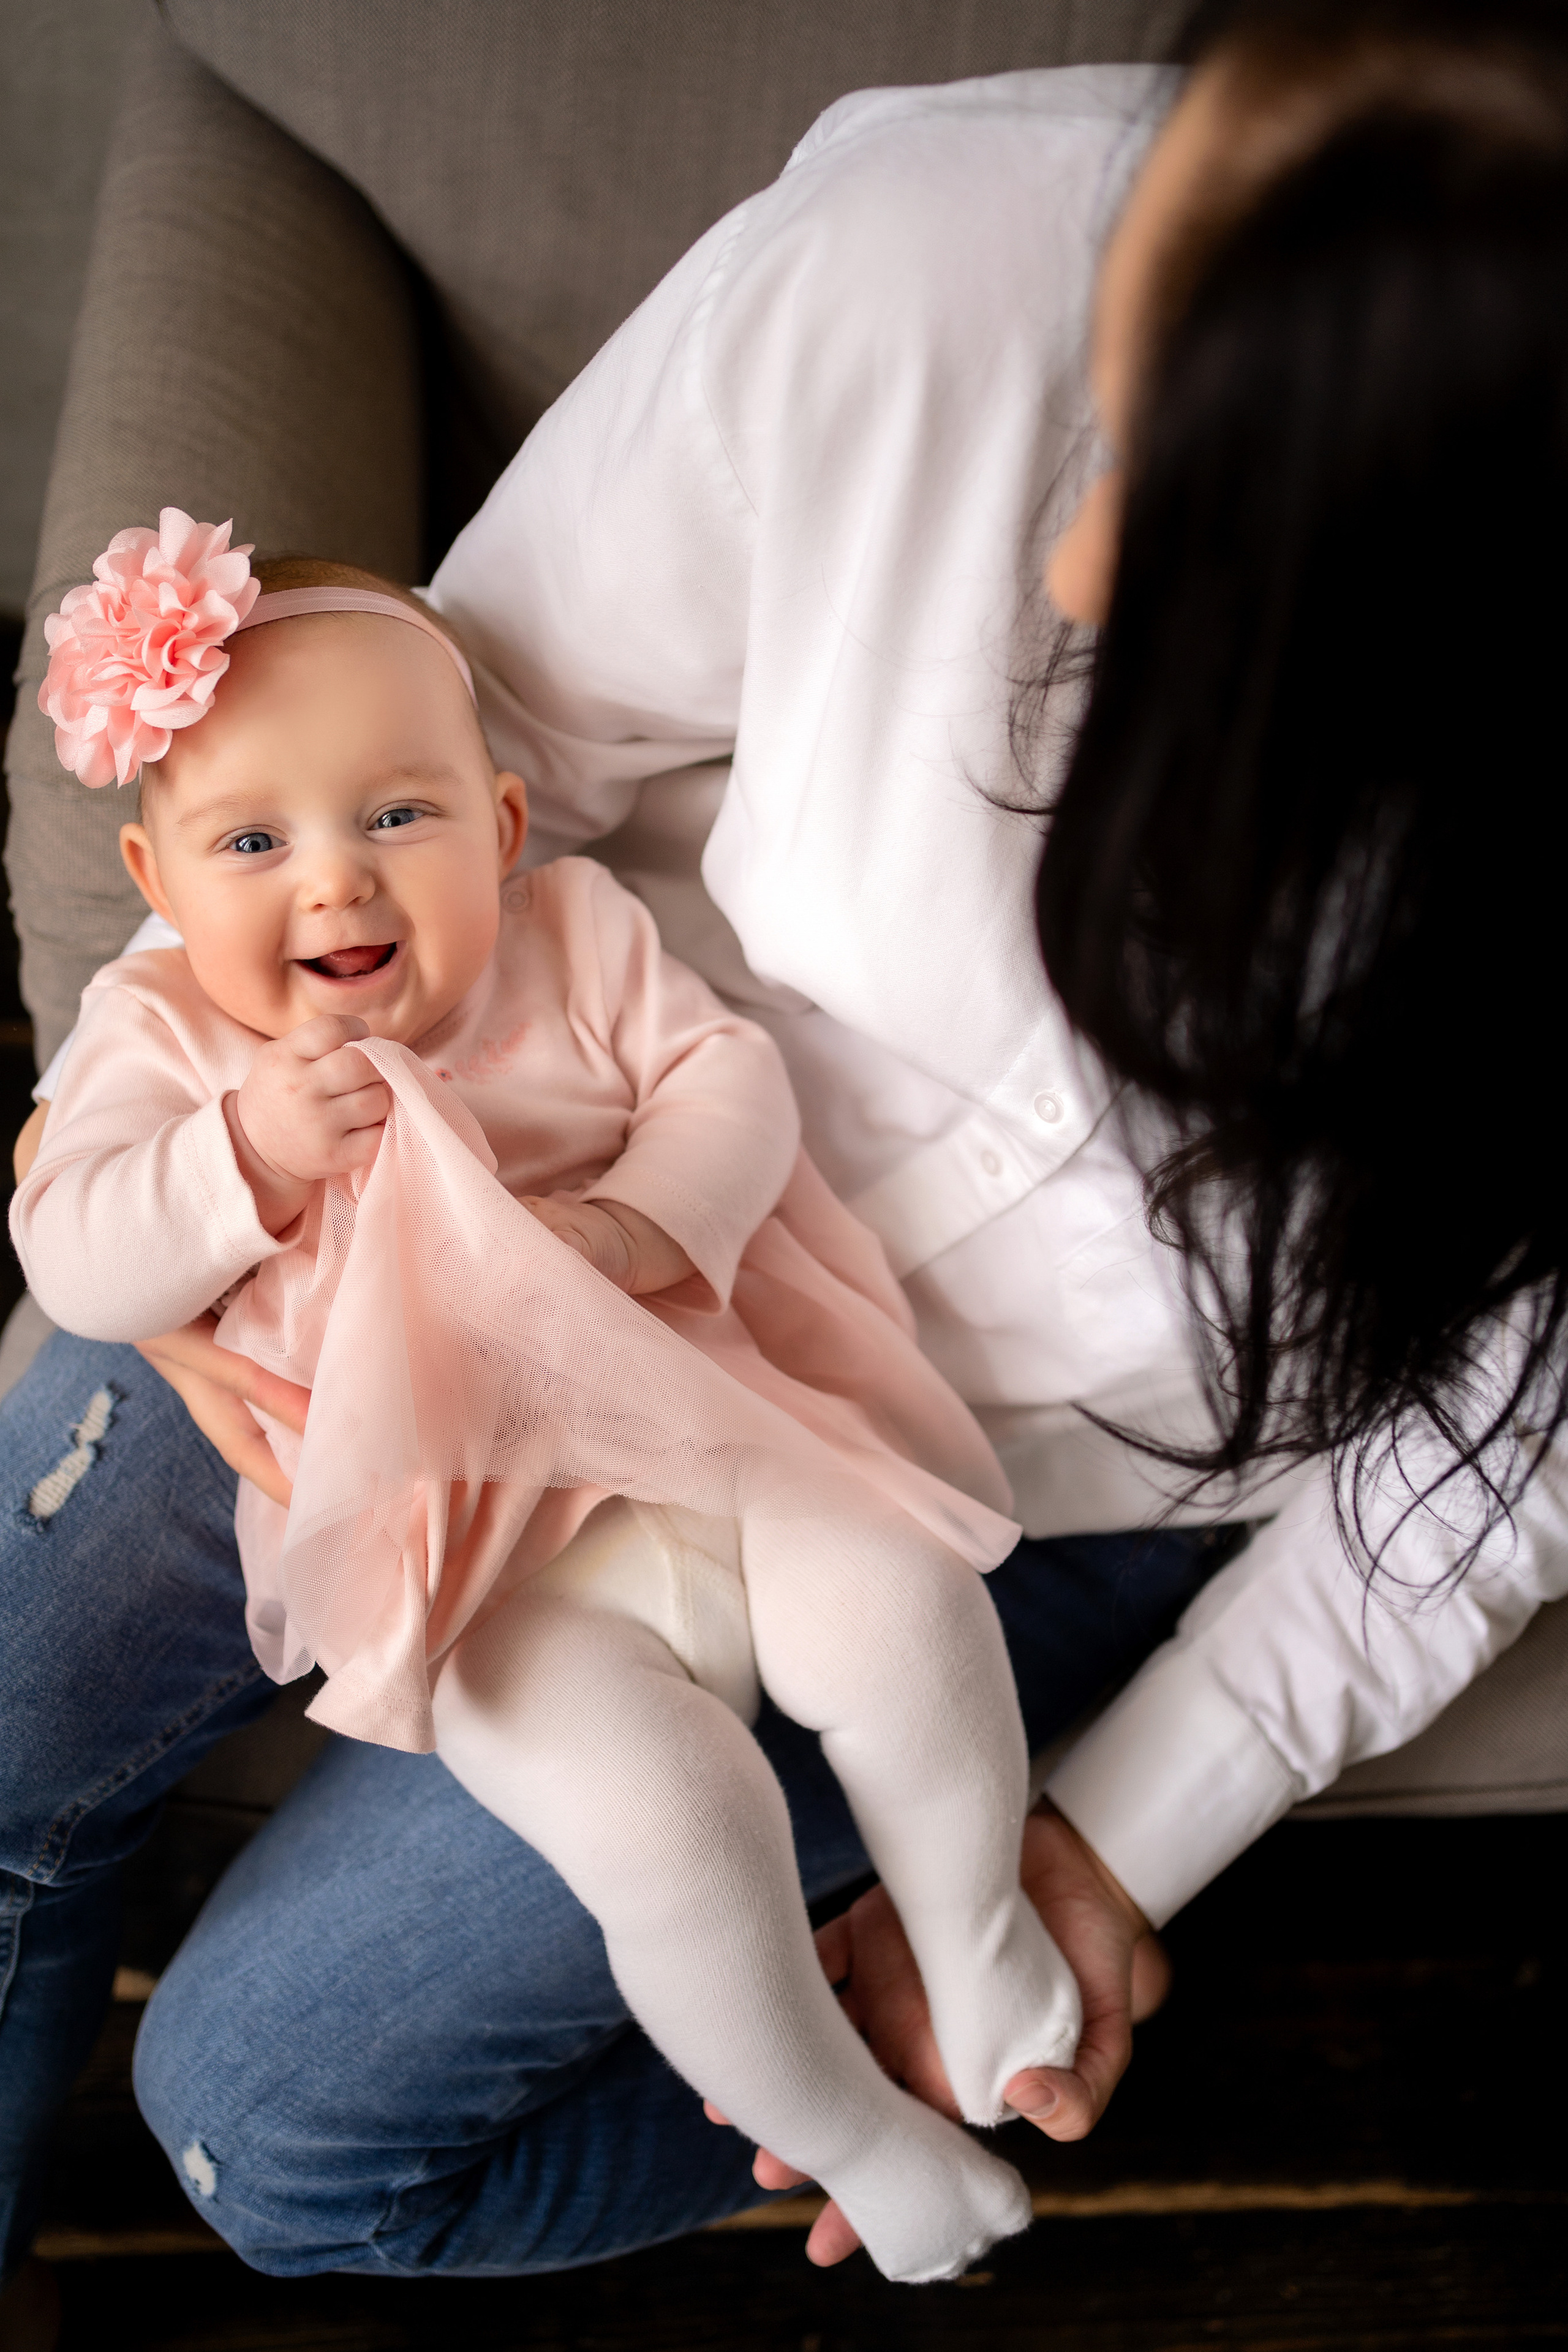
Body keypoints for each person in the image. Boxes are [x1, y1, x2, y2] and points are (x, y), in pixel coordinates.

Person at [2, 0, 1564, 2296]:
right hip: (440, 1190)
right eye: (1114, 413)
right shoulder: (938, 260)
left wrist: (1107, 1848)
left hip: (1020, 1485)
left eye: (1209, 519)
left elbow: (1485, 1474)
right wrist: (175, 1154)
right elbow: (455, 726)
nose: (1075, 576)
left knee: (271, 2137)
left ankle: (879, 2078)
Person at [14, 530, 1080, 2282]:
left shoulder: (576, 934)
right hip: (484, 1576)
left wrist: (635, 1226)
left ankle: (971, 1938)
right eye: (254, 843)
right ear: (158, 878)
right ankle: (848, 2129)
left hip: (720, 1433)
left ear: (503, 830)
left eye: (399, 817)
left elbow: (725, 1079)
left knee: (902, 1604)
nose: (339, 885)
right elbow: (79, 1259)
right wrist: (240, 1166)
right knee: (667, 1832)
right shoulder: (167, 1041)